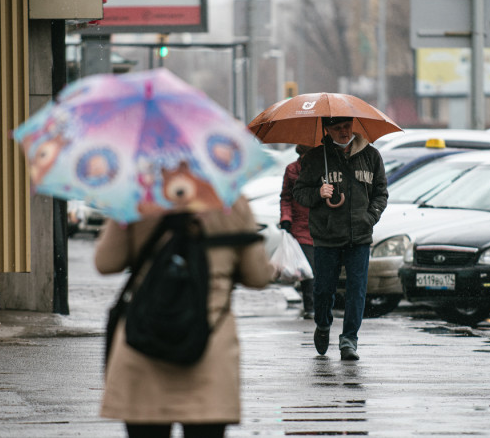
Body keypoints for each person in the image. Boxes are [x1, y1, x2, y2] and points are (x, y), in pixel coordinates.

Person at [94, 198, 272, 438]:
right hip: (210, 346)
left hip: (144, 343)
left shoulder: (138, 199)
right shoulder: (231, 202)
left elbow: (106, 263)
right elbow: (257, 276)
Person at [293, 117, 388, 361]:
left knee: (357, 290)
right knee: (324, 290)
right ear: (327, 130)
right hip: (327, 236)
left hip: (360, 235)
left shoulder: (371, 156)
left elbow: (381, 192)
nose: (344, 132)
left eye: (347, 127)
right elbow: (299, 193)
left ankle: (349, 340)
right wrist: (318, 193)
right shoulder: (316, 158)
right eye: (338, 128)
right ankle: (323, 324)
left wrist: (370, 217)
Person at [280, 144, 315, 319]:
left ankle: (322, 305)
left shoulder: (324, 167)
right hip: (300, 227)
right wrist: (286, 219)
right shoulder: (292, 169)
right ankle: (310, 307)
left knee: (322, 269)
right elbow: (286, 197)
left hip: (322, 225)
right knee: (307, 269)